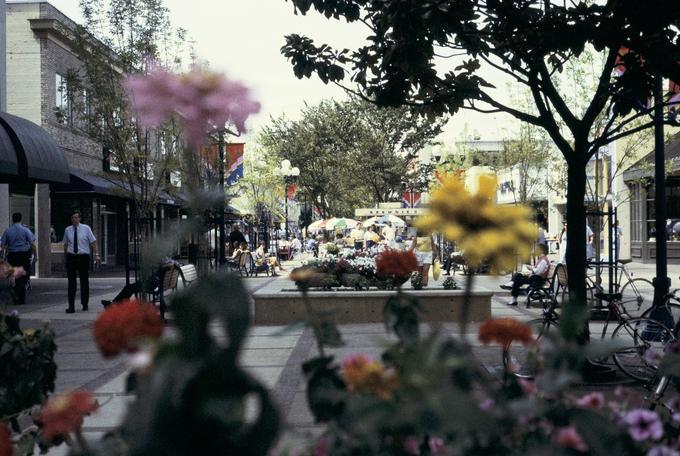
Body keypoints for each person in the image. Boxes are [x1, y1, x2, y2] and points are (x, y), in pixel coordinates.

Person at [63, 211, 99, 313]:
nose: (74, 219)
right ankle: (71, 306)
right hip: (71, 257)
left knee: (84, 281)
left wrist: (97, 255)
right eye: (72, 218)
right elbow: (65, 244)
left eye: (76, 217)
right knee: (71, 282)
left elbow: (93, 242)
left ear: (79, 219)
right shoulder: (67, 230)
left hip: (83, 257)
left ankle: (85, 303)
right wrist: (65, 257)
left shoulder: (86, 228)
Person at [1, 212, 36, 305]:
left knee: (16, 274)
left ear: (13, 219)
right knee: (25, 274)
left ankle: (18, 294)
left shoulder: (7, 231)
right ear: (21, 219)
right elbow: (32, 243)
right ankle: (20, 294)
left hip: (12, 255)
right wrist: (33, 254)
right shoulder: (25, 230)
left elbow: (3, 245)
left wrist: (3, 257)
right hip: (24, 255)